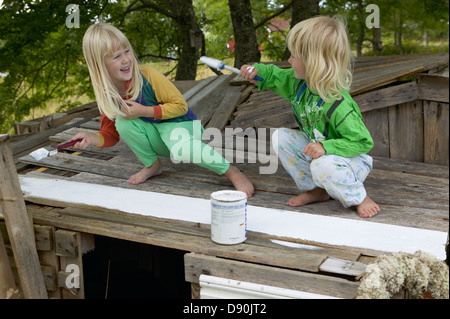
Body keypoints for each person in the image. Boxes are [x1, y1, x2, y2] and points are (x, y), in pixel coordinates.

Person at [70, 23, 254, 197]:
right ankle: (153, 165)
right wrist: (91, 137)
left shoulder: (147, 75)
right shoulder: (107, 93)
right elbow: (111, 134)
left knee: (179, 145)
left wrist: (144, 111)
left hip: (183, 126)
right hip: (159, 138)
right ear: (99, 64)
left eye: (127, 51)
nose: (126, 59)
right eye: (117, 56)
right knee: (123, 122)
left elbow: (181, 107)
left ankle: (231, 171)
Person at [240, 16, 379, 217]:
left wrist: (326, 148)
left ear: (314, 62)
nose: (289, 60)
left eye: (294, 56)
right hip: (321, 154)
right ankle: (318, 190)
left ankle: (359, 196)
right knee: (281, 137)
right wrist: (255, 71)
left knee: (323, 165)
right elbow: (273, 75)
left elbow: (362, 142)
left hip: (350, 161)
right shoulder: (298, 84)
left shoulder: (338, 103)